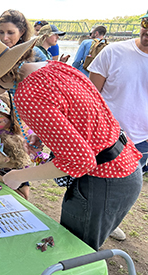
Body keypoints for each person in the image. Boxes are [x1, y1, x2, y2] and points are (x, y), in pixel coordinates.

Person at [0, 36, 142, 251]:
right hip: (126, 165)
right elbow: (79, 113)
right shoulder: (54, 66)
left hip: (104, 178)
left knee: (75, 251)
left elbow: (81, 160)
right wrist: (44, 135)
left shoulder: (27, 95)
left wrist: (18, 176)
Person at [88, 11, 148, 240]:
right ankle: (88, 228)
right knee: (94, 188)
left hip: (141, 141)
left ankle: (111, 223)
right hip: (105, 139)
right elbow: (90, 99)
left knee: (124, 192)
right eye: (146, 23)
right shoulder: (114, 52)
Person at [0, 9, 47, 120]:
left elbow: (46, 93)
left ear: (22, 32)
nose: (4, 38)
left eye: (10, 32)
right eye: (1, 32)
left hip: (24, 120)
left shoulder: (36, 54)